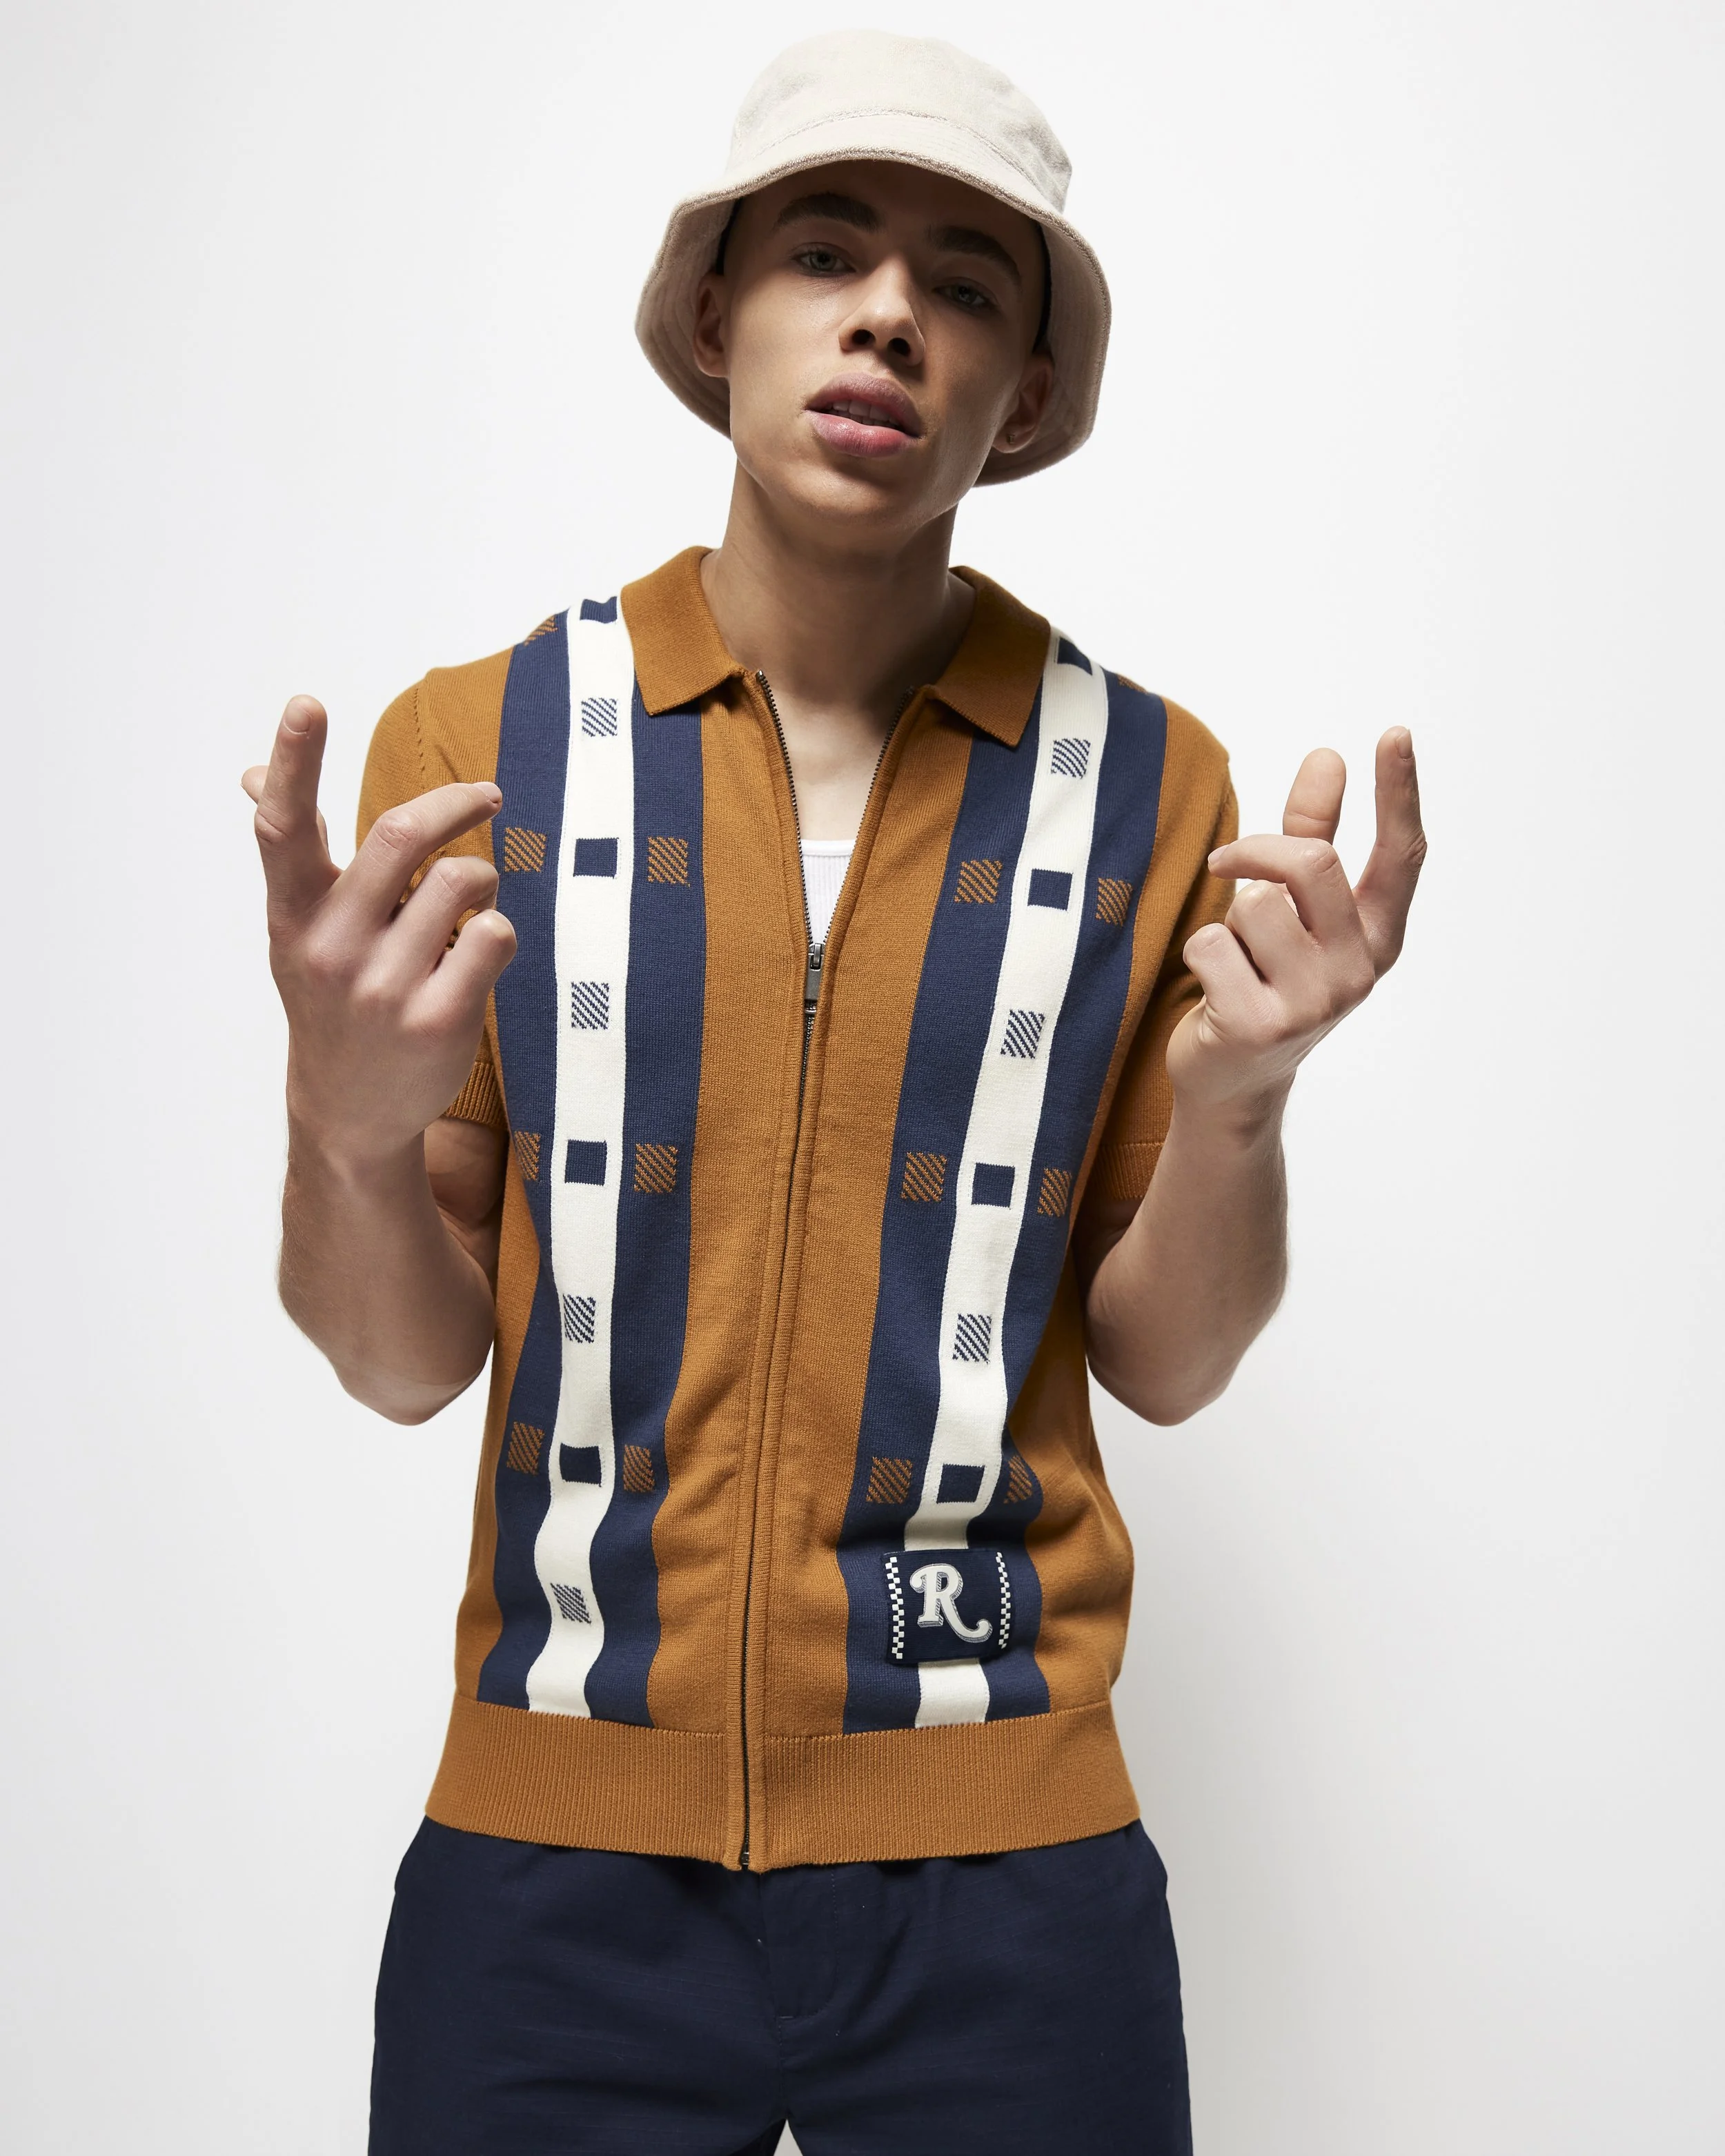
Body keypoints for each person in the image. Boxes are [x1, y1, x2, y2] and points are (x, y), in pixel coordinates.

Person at [242, 30, 1423, 2156]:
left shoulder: (1148, 784)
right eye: (823, 252)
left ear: (1023, 392)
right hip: (555, 1858)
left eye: (964, 284)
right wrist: (344, 1120)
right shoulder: (485, 745)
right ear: (715, 315)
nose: (888, 314)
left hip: (1008, 1863)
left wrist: (1242, 1103)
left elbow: (1166, 1359)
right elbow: (399, 1364)